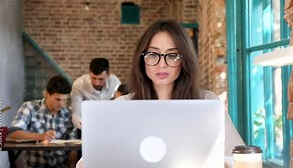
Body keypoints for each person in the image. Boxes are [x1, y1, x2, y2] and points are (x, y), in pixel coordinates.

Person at [76, 19, 244, 168]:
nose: (162, 64)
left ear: (184, 60)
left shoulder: (207, 102)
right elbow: (86, 162)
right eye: (153, 54)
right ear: (142, 60)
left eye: (172, 55)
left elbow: (239, 157)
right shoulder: (121, 106)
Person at [8, 75, 78, 168]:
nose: (61, 103)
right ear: (46, 94)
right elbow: (13, 133)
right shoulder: (29, 107)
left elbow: (73, 147)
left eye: (65, 100)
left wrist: (72, 166)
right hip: (36, 166)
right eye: (58, 99)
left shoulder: (69, 114)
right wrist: (40, 136)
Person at [71, 57, 121, 129]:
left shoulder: (115, 83)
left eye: (101, 79)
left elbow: (119, 108)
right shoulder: (79, 85)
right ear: (89, 73)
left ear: (108, 74)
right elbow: (76, 113)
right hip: (86, 125)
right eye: (93, 78)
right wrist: (85, 128)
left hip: (110, 124)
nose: (97, 83)